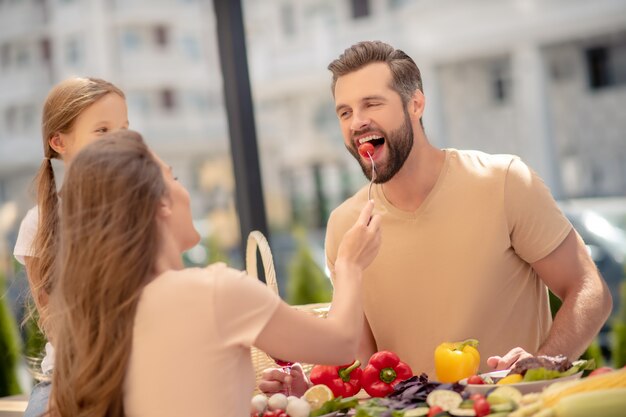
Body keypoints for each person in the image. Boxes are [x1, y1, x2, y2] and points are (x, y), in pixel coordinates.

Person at [260, 40, 612, 395]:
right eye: (345, 112)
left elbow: (589, 289)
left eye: (372, 104)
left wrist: (544, 364)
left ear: (416, 103)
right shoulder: (345, 227)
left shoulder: (504, 181)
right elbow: (366, 371)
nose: (357, 121)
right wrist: (311, 391)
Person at [46, 130, 381, 417]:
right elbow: (340, 344)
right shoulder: (216, 292)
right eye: (173, 178)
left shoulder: (99, 319)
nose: (183, 191)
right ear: (161, 202)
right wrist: (349, 265)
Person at [13, 77, 129, 417]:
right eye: (103, 130)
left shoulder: (141, 210)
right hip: (71, 378)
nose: (118, 141)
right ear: (58, 141)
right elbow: (56, 325)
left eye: (124, 129)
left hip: (142, 371)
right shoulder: (39, 224)